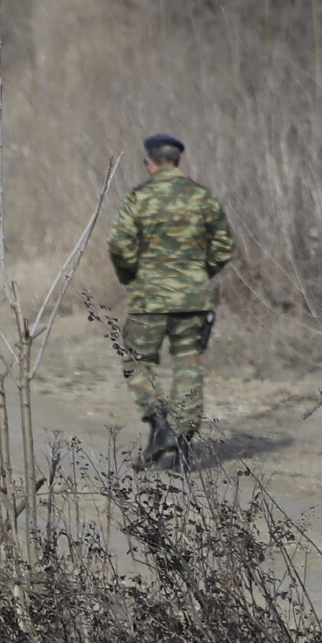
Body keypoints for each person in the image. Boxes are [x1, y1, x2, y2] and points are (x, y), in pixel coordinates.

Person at [107, 133, 235, 467]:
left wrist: (132, 275)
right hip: (193, 300)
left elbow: (119, 245)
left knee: (136, 361)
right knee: (188, 367)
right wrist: (198, 273)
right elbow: (224, 246)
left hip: (148, 298)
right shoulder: (202, 198)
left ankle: (160, 422)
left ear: (149, 162)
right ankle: (178, 440)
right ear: (179, 161)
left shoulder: (139, 198)